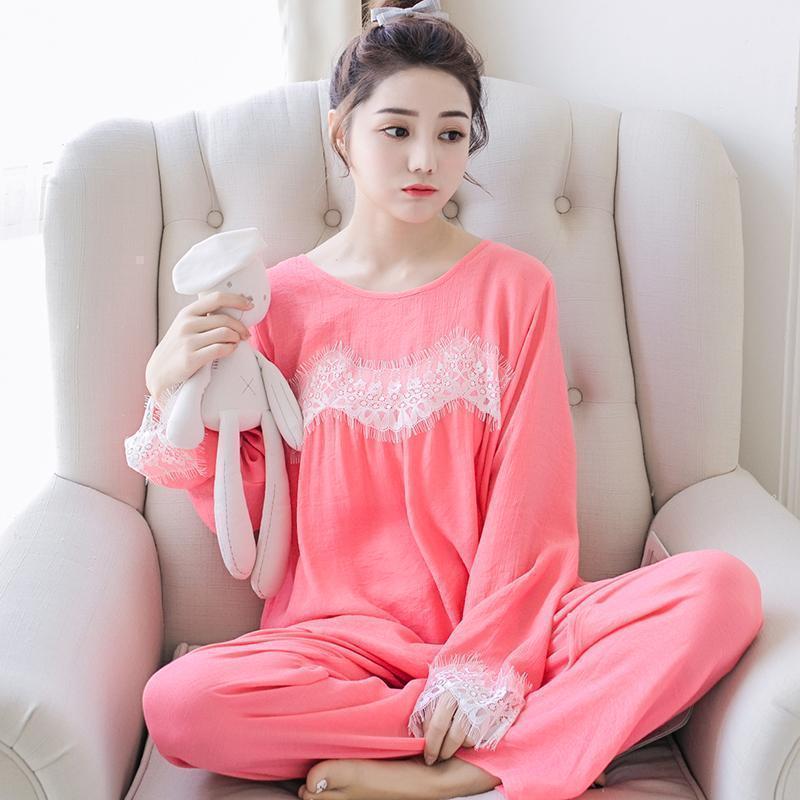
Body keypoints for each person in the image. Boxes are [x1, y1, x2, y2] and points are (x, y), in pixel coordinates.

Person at [125, 2, 765, 799]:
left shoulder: (515, 288)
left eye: (452, 134)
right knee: (181, 704)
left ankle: (453, 771)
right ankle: (521, 738)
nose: (425, 158)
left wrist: (485, 662)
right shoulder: (279, 303)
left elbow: (533, 502)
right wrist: (168, 385)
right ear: (341, 135)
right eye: (396, 130)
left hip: (511, 630)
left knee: (721, 590)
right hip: (337, 647)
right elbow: (252, 516)